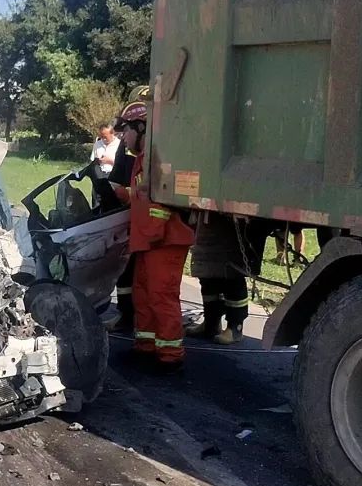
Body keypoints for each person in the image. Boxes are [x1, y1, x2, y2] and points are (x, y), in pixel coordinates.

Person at [113, 96, 195, 368]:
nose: (123, 137)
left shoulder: (158, 160)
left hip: (164, 241)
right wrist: (122, 194)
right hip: (149, 241)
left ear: (142, 128)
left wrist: (150, 232)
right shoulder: (143, 160)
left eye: (126, 130)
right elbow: (144, 197)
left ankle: (170, 356)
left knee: (161, 296)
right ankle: (146, 345)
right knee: (143, 293)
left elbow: (161, 205)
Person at [187, 214, 267, 344]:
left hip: (234, 219)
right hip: (209, 217)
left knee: (232, 274)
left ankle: (235, 328)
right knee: (206, 270)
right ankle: (211, 323)